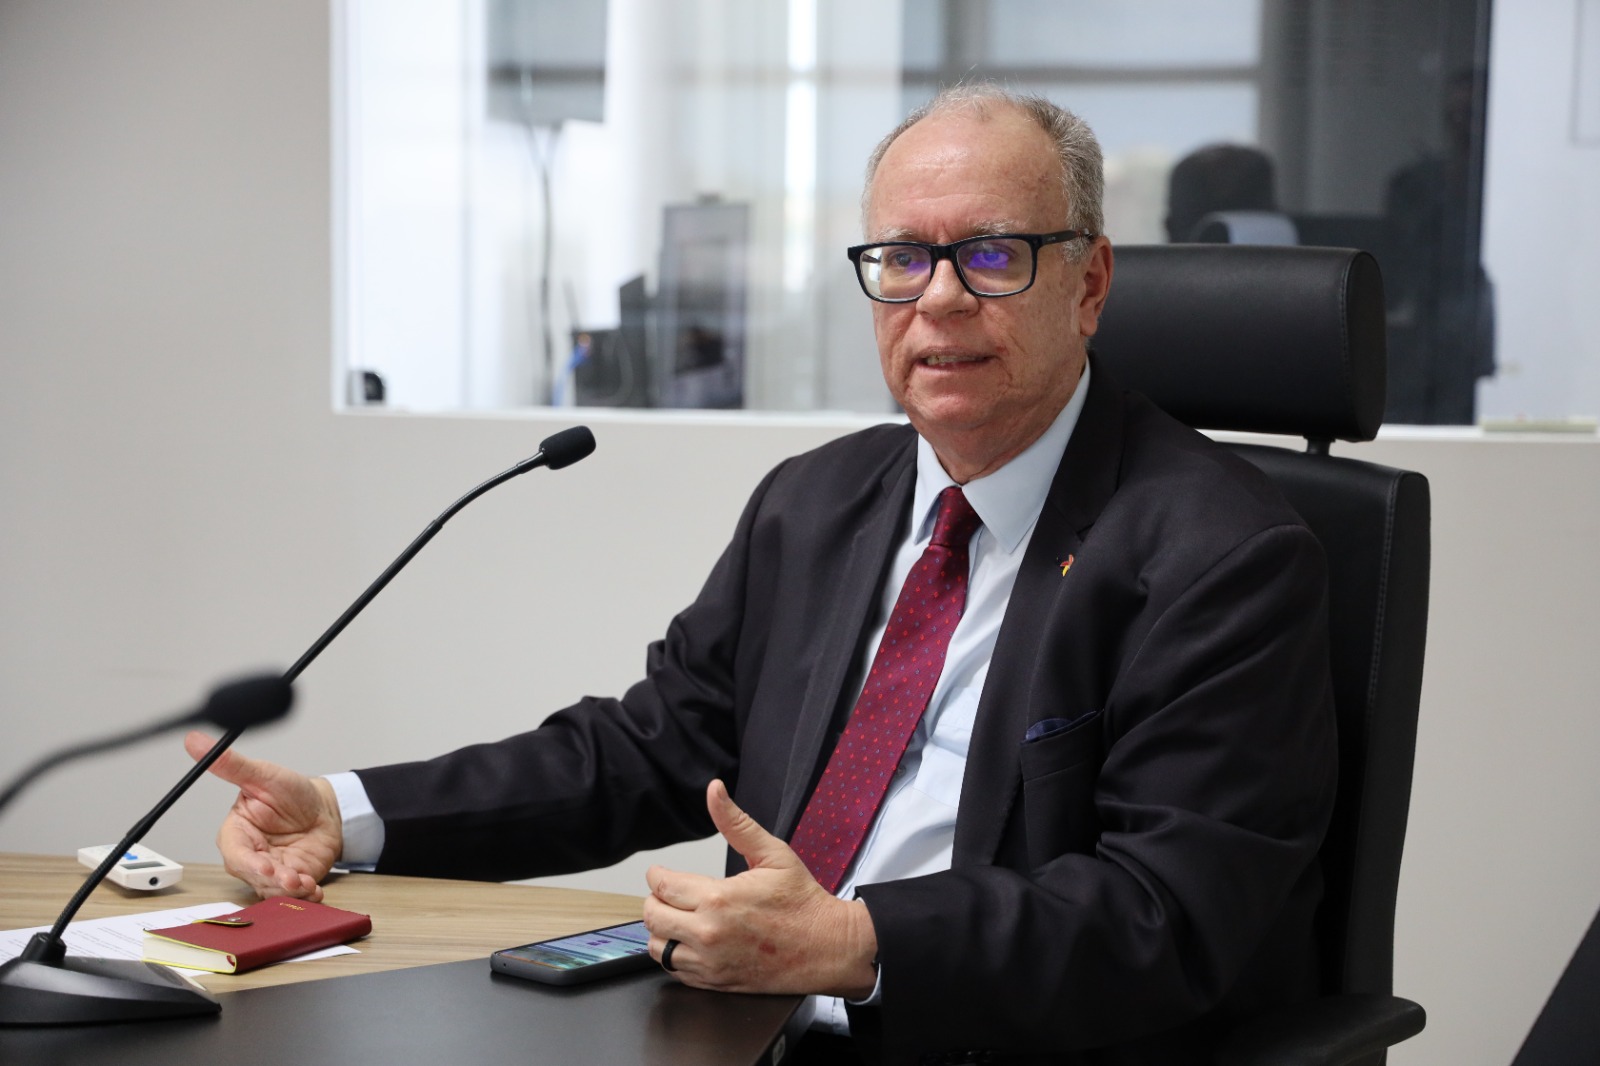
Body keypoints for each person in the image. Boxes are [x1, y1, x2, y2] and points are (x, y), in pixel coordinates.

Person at [188, 85, 1336, 1065]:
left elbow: (1162, 910)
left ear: (1087, 284)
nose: (938, 298)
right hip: (735, 1029)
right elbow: (648, 749)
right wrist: (346, 812)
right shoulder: (816, 501)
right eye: (902, 258)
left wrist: (855, 942)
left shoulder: (1221, 558)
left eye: (991, 254)